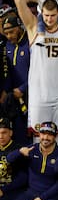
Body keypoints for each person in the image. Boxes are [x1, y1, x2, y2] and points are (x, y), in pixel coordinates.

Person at [14, 0, 58, 146]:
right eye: (46, 15)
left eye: (53, 15)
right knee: (39, 140)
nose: (49, 19)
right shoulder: (33, 27)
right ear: (42, 13)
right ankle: (39, 170)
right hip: (39, 95)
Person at [5, 121, 58, 200]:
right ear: (39, 134)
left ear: (56, 136)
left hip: (51, 195)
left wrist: (42, 198)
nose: (45, 137)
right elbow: (9, 159)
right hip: (31, 191)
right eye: (43, 133)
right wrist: (19, 152)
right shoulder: (33, 148)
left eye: (49, 134)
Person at [2, 16, 30, 145]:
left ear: (19, 28)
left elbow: (38, 73)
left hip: (30, 96)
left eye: (11, 32)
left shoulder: (30, 43)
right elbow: (7, 72)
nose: (9, 36)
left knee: (29, 132)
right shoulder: (7, 45)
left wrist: (23, 88)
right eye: (6, 33)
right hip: (13, 99)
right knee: (15, 135)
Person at [0, 118, 27, 200]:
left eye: (4, 133)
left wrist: (3, 189)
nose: (0, 136)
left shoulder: (19, 149)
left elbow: (23, 177)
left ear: (10, 133)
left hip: (12, 190)